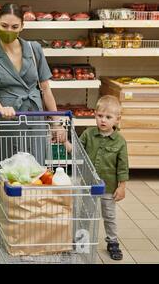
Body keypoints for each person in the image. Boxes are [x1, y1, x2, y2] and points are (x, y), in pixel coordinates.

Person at [0, 3, 66, 163]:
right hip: (8, 121)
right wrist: (0, 109)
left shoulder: (34, 49)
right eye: (4, 26)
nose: (9, 31)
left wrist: (56, 122)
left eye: (14, 26)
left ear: (22, 27)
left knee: (37, 169)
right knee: (10, 170)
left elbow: (46, 89)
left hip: (35, 117)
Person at [65, 95, 129, 261]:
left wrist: (122, 186)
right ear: (94, 115)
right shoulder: (88, 134)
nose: (103, 120)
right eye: (100, 116)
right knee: (85, 213)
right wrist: (65, 142)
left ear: (117, 119)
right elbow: (78, 152)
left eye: (108, 117)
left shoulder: (120, 141)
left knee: (109, 216)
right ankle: (82, 240)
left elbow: (123, 166)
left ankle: (112, 242)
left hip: (109, 186)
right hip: (88, 185)